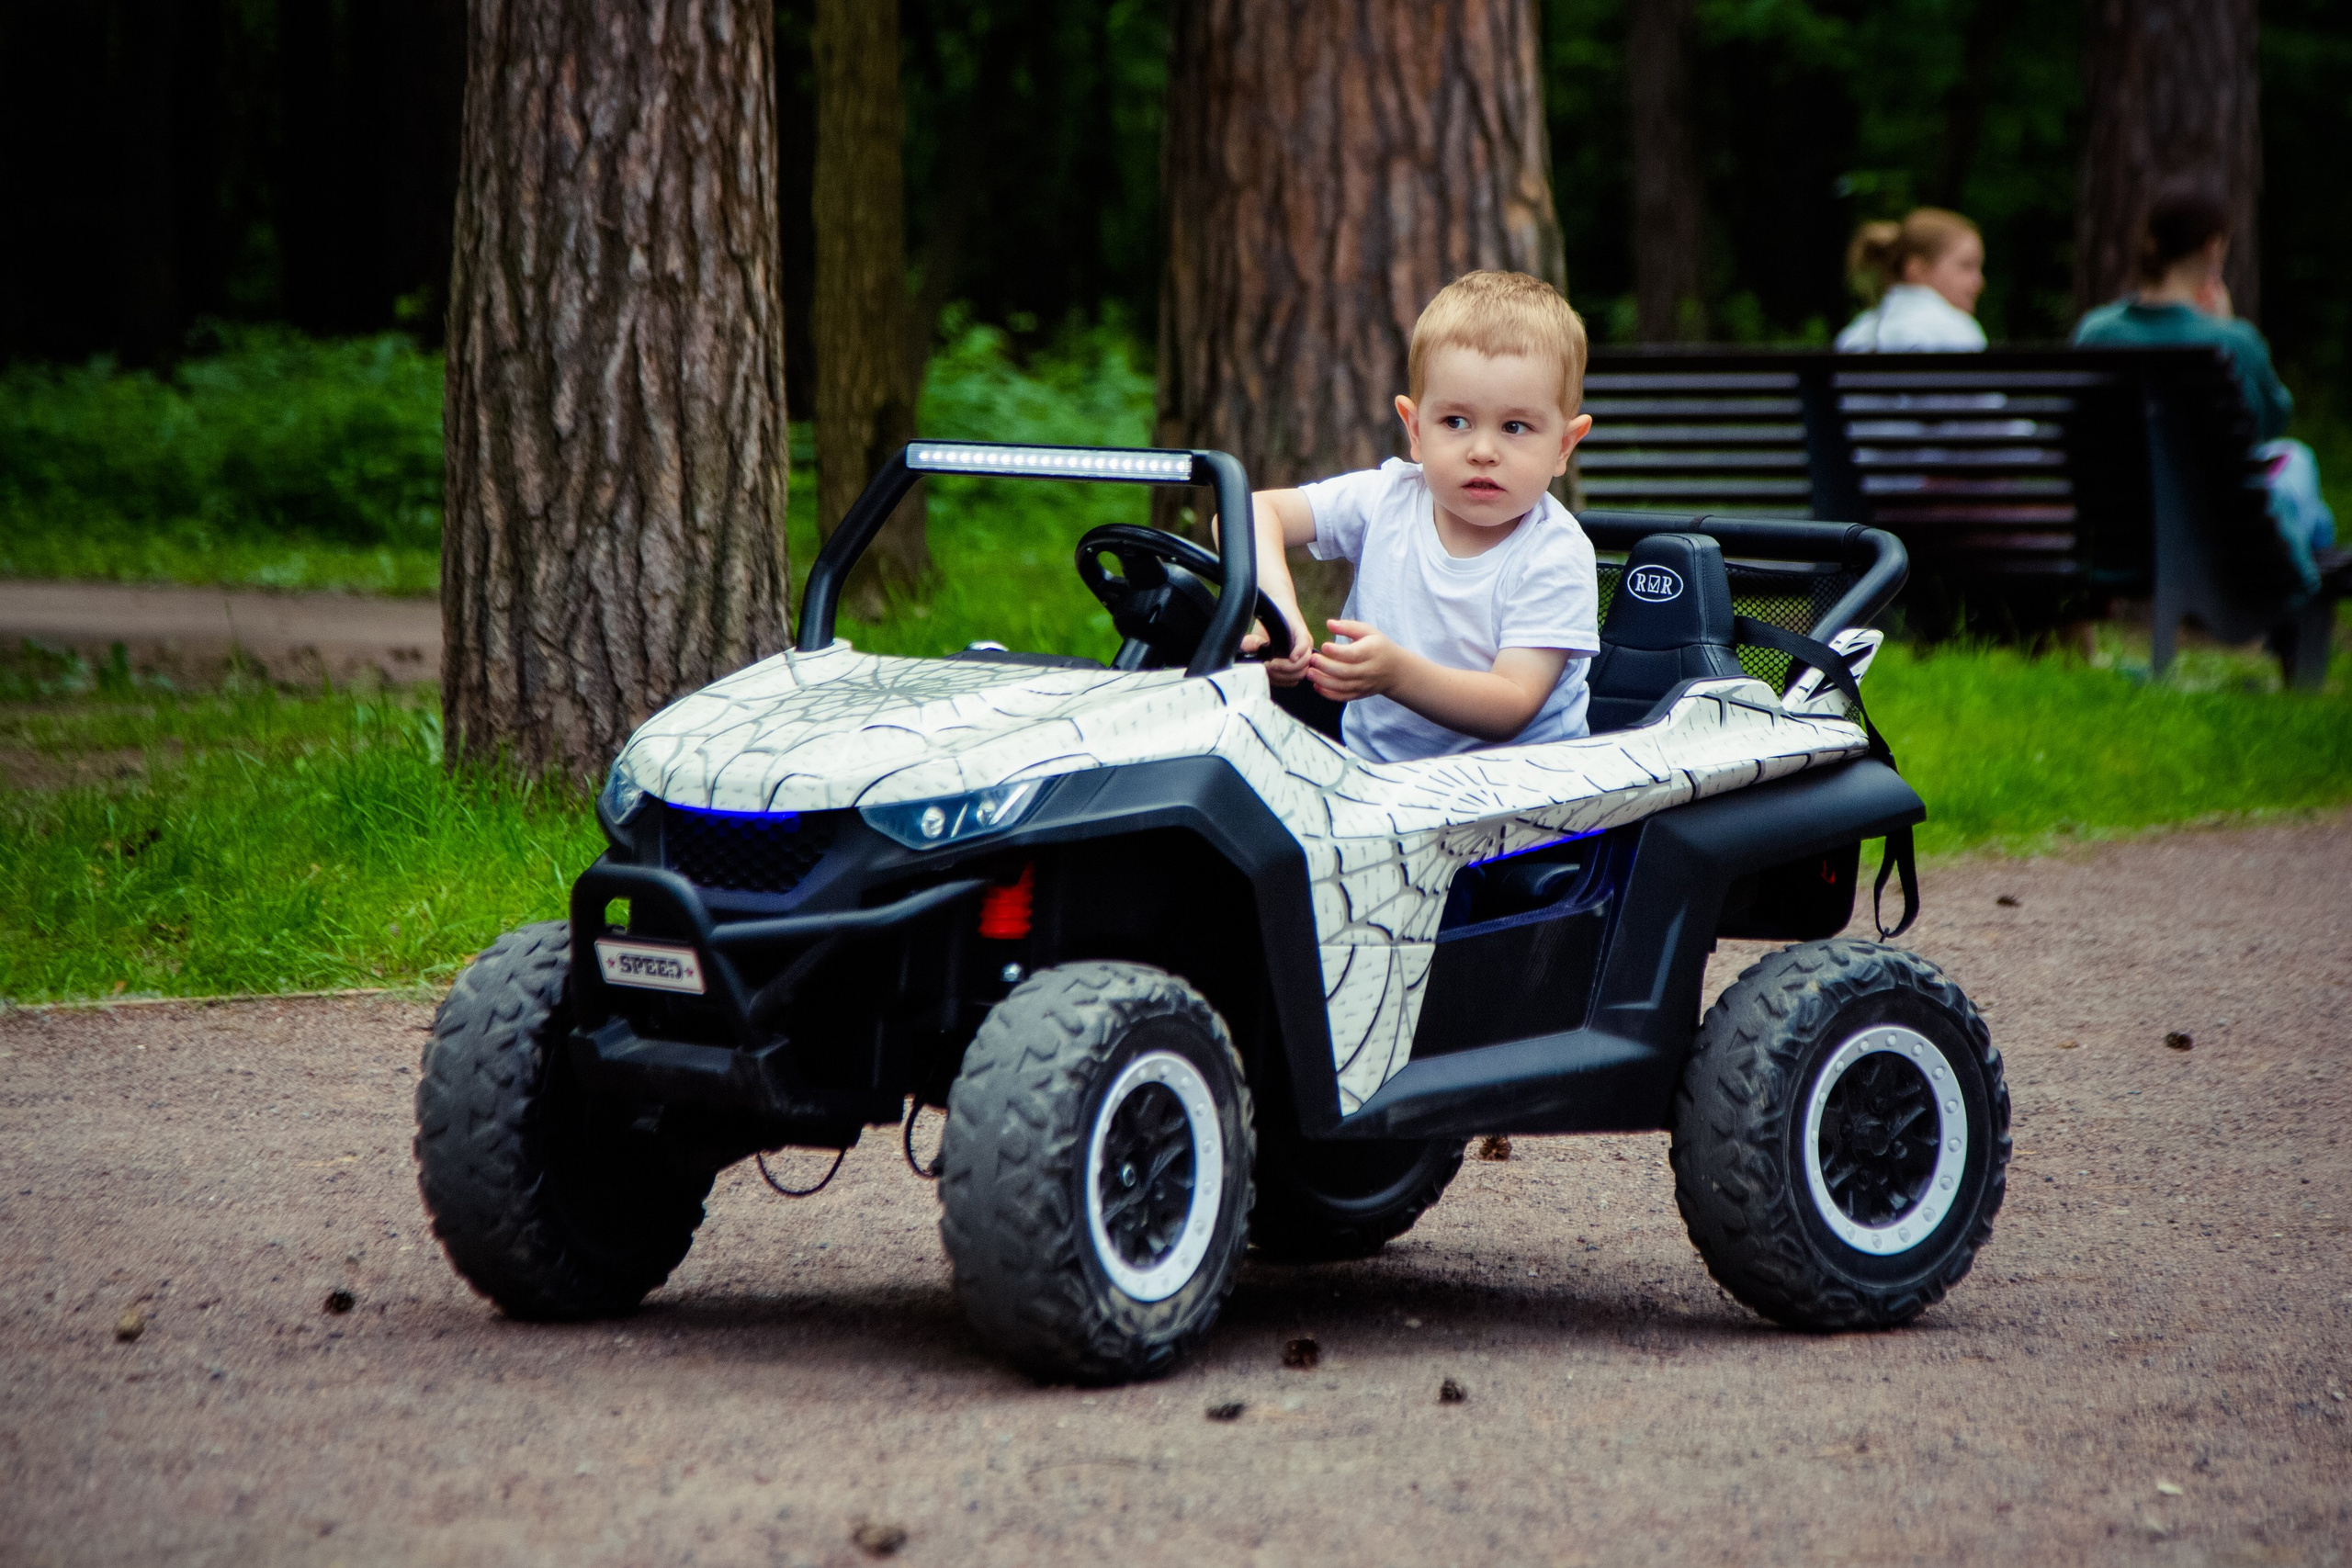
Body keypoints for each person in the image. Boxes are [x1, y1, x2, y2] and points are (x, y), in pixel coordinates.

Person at [1240, 270, 1600, 762]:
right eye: (1455, 421)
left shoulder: (1554, 552)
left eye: (1515, 426)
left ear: (1564, 446)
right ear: (1415, 429)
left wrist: (1397, 674)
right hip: (1374, 778)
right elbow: (1249, 512)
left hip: (1525, 801)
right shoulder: (1389, 498)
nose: (1482, 450)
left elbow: (1511, 705)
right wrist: (1278, 609)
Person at [2074, 185, 2335, 593]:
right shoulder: (2231, 340)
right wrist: (2225, 323)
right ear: (2214, 247)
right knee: (2299, 466)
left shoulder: (2096, 331)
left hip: (2116, 537)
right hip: (2218, 533)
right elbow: (2267, 426)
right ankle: (2302, 609)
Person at [1835, 208, 1987, 352]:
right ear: (1916, 269)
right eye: (1966, 266)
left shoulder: (1855, 334)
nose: (1979, 282)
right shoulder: (1957, 331)